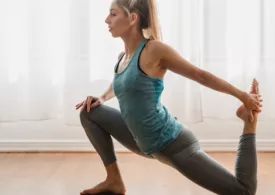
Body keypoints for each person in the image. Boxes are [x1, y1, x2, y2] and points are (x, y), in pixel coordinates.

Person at [76, 0, 263, 194]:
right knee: (90, 112)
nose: (107, 20)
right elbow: (121, 84)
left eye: (113, 14)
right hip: (142, 140)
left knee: (244, 191)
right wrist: (102, 97)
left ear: (132, 18)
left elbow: (200, 75)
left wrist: (242, 96)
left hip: (173, 144)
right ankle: (114, 180)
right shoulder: (123, 57)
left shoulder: (154, 50)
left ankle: (249, 123)